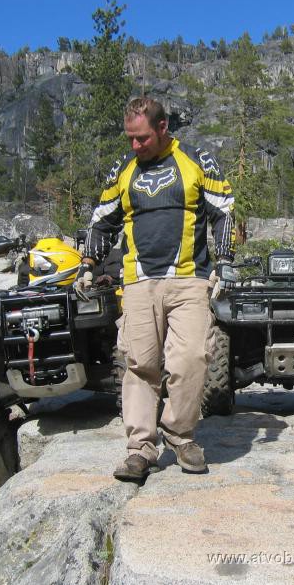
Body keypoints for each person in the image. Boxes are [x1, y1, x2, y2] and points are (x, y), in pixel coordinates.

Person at [76, 97, 235, 481]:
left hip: (189, 278)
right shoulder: (124, 169)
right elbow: (103, 219)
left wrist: (225, 261)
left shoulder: (198, 161)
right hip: (138, 281)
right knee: (139, 363)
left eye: (142, 138)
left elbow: (223, 210)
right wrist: (88, 264)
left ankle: (180, 436)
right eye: (130, 138)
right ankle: (140, 449)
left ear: (163, 128)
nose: (135, 146)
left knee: (193, 357)